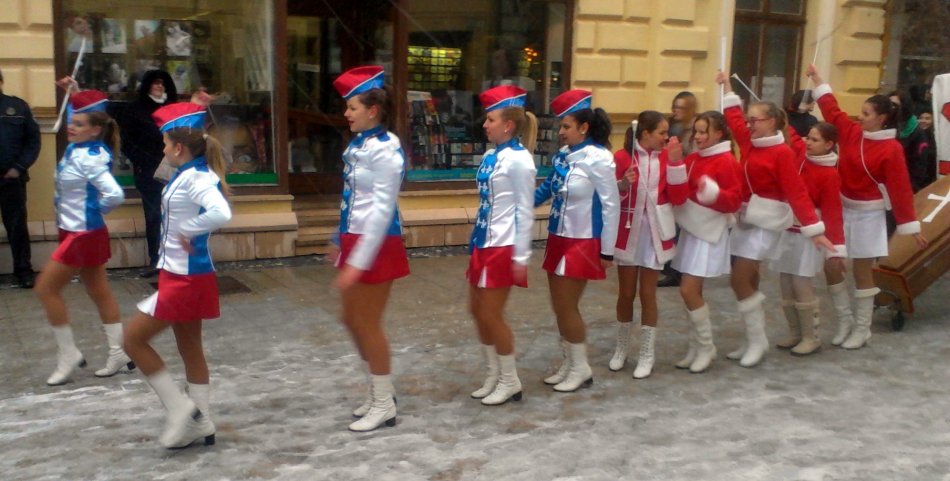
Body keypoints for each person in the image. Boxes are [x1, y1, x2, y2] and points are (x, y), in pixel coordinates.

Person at [122, 101, 232, 449]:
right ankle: (202, 421)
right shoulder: (187, 172)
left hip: (186, 276)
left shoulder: (195, 177)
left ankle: (181, 409)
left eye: (165, 143)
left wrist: (189, 228)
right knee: (189, 347)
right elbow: (166, 176)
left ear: (179, 147)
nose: (163, 149)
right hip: (181, 272)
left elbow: (221, 212)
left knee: (131, 340)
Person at [717, 71, 835, 368]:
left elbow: (796, 192)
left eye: (755, 120)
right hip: (746, 219)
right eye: (749, 120)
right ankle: (751, 338)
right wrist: (727, 86)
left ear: (771, 121)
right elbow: (733, 120)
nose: (749, 125)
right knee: (748, 279)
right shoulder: (751, 142)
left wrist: (814, 230)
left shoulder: (782, 153)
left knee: (739, 278)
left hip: (766, 222)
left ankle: (758, 341)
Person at [807, 65, 928, 349]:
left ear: (881, 118)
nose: (859, 117)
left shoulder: (891, 149)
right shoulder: (851, 132)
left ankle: (862, 329)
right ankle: (845, 321)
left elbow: (900, 188)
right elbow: (832, 110)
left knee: (862, 271)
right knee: (832, 265)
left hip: (869, 215)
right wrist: (818, 79)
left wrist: (911, 226)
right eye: (861, 112)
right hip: (842, 210)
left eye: (866, 113)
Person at [329, 66, 409, 432]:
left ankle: (383, 403)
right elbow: (352, 200)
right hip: (355, 238)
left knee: (367, 323)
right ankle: (380, 390)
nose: (346, 113)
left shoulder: (386, 150)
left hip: (377, 243)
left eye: (352, 107)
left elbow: (381, 209)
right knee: (351, 320)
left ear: (372, 110)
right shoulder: (359, 145)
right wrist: (338, 240)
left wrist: (357, 262)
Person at [36, 88, 130, 386]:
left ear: (95, 130)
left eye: (78, 124)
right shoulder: (78, 147)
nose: (71, 127)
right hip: (73, 230)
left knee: (45, 289)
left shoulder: (90, 158)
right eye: (71, 122)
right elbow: (80, 117)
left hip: (83, 233)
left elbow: (114, 194)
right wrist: (74, 95)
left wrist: (93, 211)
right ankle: (119, 352)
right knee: (99, 290)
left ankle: (69, 354)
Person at [535, 89, 619, 392]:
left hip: (582, 240)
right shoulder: (564, 155)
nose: (561, 132)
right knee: (559, 306)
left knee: (567, 306)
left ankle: (581, 367)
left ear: (584, 127)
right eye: (561, 126)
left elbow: (611, 205)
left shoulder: (600, 159)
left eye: (566, 126)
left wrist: (607, 250)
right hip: (558, 236)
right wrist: (519, 204)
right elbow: (548, 188)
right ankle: (569, 362)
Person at [467, 85, 537, 406]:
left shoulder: (520, 161)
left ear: (508, 125)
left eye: (491, 119)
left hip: (503, 245)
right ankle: (493, 374)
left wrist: (521, 256)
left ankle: (510, 380)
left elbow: (524, 210)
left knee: (492, 314)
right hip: (483, 242)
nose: (485, 124)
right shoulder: (491, 155)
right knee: (476, 311)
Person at [666, 111, 743, 373]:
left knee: (688, 290)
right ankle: (697, 346)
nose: (697, 137)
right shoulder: (693, 159)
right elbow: (678, 196)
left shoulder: (727, 161)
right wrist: (675, 164)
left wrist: (714, 194)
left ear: (718, 134)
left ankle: (706, 346)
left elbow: (734, 202)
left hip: (708, 232)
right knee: (690, 292)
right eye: (696, 131)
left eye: (703, 132)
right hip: (691, 228)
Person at [609, 111, 682, 379]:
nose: (666, 137)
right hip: (629, 233)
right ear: (645, 134)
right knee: (626, 293)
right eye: (662, 132)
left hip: (654, 234)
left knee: (648, 294)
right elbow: (608, 195)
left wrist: (676, 165)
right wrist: (622, 184)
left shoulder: (667, 158)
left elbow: (678, 197)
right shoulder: (622, 157)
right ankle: (622, 348)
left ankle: (647, 353)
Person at [771, 123, 847, 356]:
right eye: (808, 138)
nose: (808, 142)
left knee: (801, 284)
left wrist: (836, 249)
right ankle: (795, 332)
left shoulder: (829, 174)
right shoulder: (799, 157)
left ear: (829, 144)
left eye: (815, 140)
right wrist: (780, 120)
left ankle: (810, 337)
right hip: (788, 229)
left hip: (809, 236)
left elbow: (833, 212)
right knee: (785, 282)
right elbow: (790, 132)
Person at [115, 69, 178, 278]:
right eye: (155, 83)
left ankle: (175, 258)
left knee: (176, 214)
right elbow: (126, 141)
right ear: (148, 85)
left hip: (175, 168)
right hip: (148, 170)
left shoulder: (174, 108)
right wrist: (142, 161)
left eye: (163, 83)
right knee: (153, 216)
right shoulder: (135, 109)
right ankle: (156, 259)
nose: (159, 86)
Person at [0, 68, 40, 288]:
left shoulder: (18, 107)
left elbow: (33, 141)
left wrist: (19, 168)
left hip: (11, 179)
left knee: (17, 228)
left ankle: (23, 270)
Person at [889, 91, 935, 193]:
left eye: (895, 105)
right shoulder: (886, 127)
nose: (891, 108)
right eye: (889, 105)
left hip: (906, 189)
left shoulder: (917, 134)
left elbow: (919, 168)